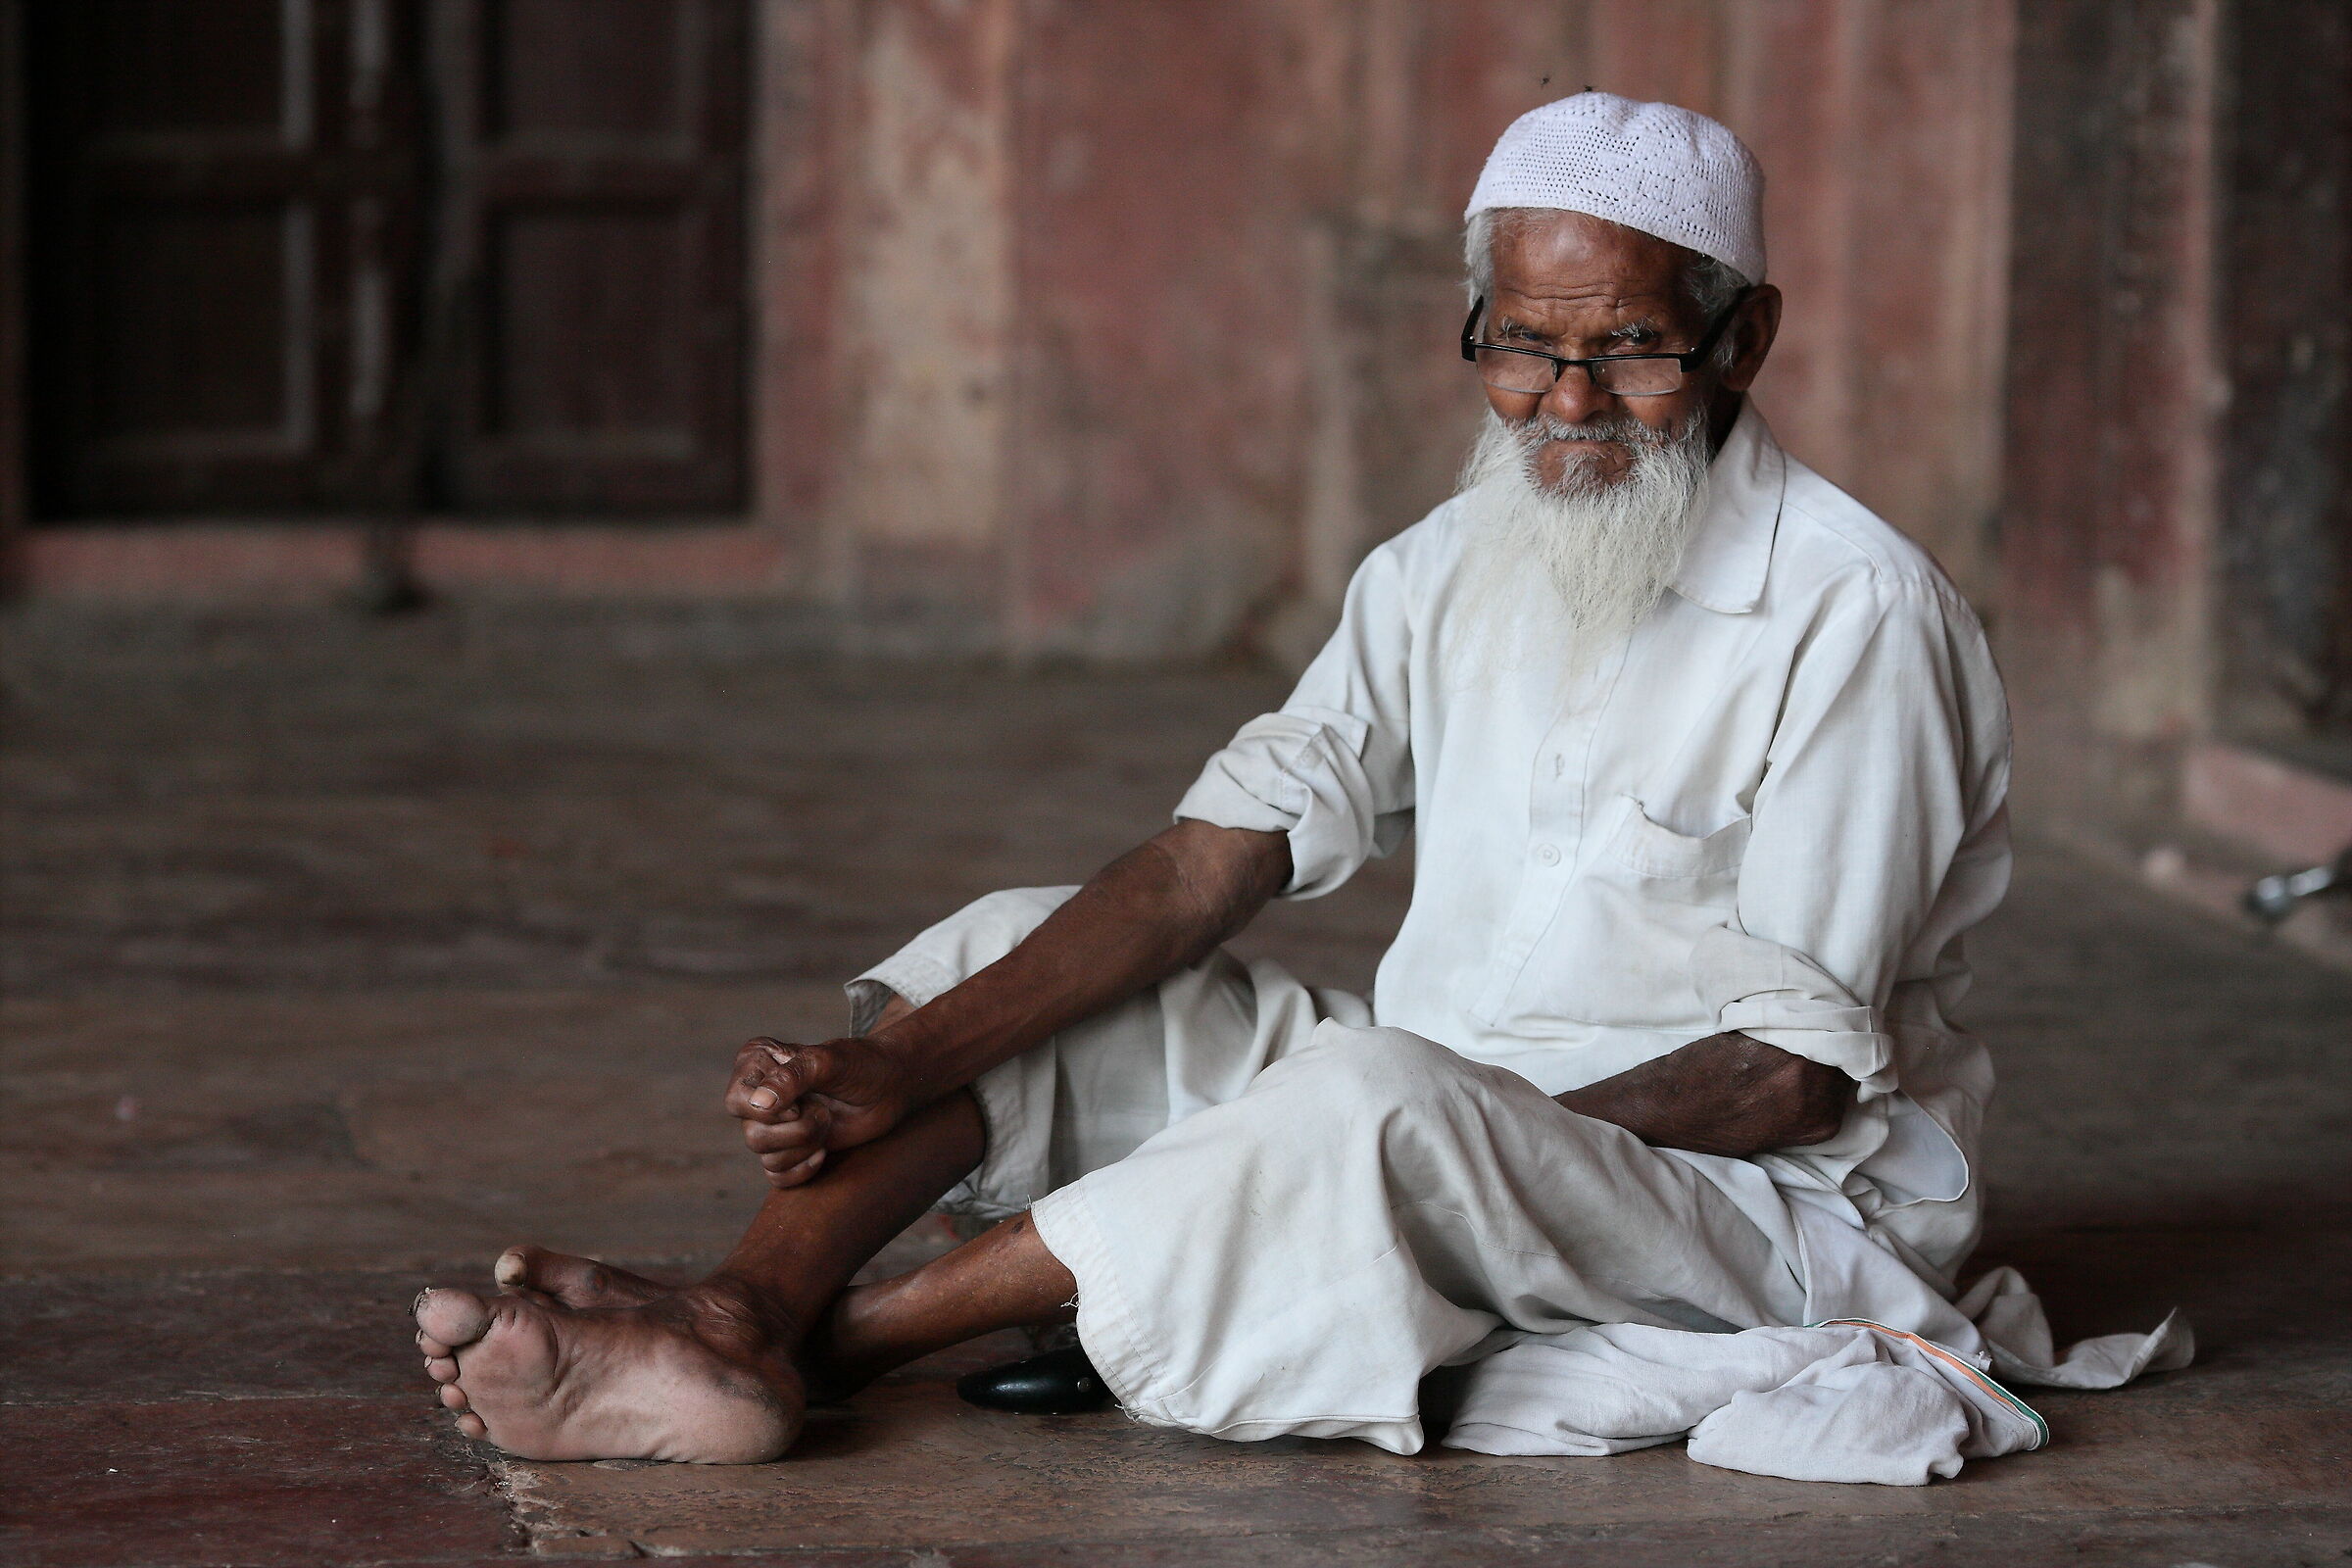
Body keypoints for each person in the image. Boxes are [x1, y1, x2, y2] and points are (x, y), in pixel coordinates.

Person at [413, 92, 2013, 1464]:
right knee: (1003, 953)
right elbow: (1209, 863)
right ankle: (742, 1305)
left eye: (1632, 351)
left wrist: (1429, 1140)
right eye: (1522, 346)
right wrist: (910, 1068)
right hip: (1442, 1100)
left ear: (1745, 341)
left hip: (1746, 1200)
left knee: (1365, 1099)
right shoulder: (1447, 566)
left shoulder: (1857, 616)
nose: (1568, 405)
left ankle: (821, 1358)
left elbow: (1788, 1074)